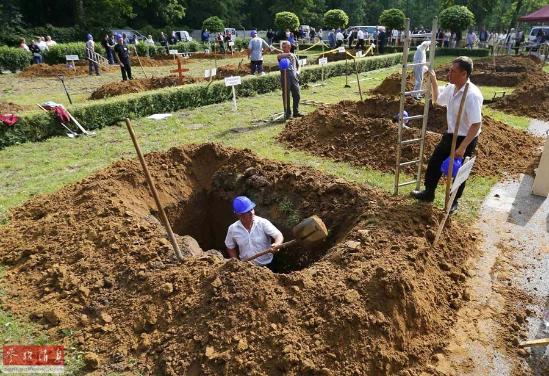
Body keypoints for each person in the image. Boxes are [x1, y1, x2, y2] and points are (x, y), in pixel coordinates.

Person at [411, 56, 483, 213]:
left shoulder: (472, 95)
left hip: (466, 138)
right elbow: (437, 100)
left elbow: (476, 124)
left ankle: (454, 201)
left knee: (458, 171)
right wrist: (434, 81)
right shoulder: (451, 88)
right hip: (451, 135)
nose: (449, 73)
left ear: (464, 74)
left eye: (453, 71)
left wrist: (463, 147)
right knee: (435, 162)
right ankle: (429, 192)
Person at [225, 196, 283, 268]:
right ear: (239, 214)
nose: (251, 213)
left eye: (252, 209)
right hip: (247, 269)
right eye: (247, 211)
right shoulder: (233, 229)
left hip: (267, 267)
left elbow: (278, 235)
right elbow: (230, 247)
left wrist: (277, 244)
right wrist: (235, 262)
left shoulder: (262, 223)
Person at [278, 40, 303, 119]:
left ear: (290, 47)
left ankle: (296, 112)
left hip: (294, 77)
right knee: (286, 96)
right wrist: (288, 54)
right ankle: (287, 113)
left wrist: (298, 72)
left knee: (297, 95)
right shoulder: (281, 55)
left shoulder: (293, 55)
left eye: (287, 46)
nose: (285, 48)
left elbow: (299, 65)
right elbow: (278, 57)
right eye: (283, 47)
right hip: (285, 78)